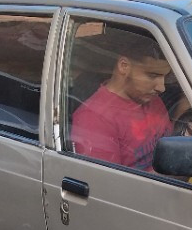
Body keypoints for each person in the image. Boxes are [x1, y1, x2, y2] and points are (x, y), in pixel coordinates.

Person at [70, 35, 172, 172]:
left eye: (165, 76)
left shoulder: (152, 99)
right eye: (152, 76)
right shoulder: (94, 119)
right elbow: (110, 186)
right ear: (124, 66)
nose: (162, 87)